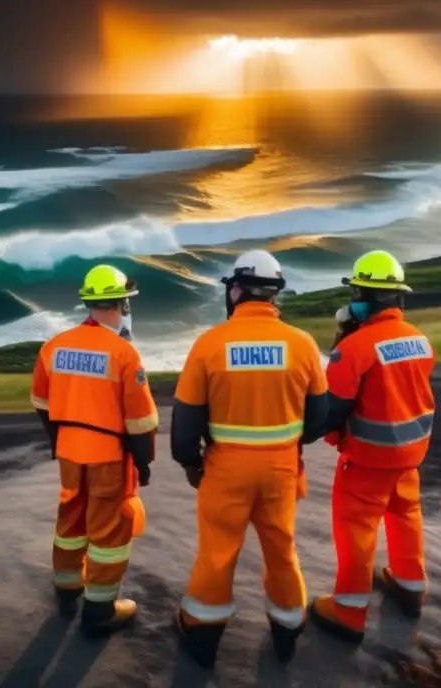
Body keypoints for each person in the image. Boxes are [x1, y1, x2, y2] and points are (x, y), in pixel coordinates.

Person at [171, 250, 330, 667]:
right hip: (280, 471)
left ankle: (203, 636)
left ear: (236, 291)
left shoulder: (209, 344)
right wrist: (288, 442)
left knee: (217, 553)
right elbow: (319, 418)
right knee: (282, 551)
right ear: (274, 296)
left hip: (225, 471)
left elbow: (185, 426)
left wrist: (191, 464)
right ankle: (287, 630)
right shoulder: (303, 344)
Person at [308, 249, 436, 645]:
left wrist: (301, 434)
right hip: (410, 455)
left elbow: (333, 409)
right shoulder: (420, 340)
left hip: (366, 460)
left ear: (362, 297)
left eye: (355, 294)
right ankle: (410, 585)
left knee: (357, 530)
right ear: (398, 297)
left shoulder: (355, 348)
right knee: (405, 515)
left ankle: (348, 611)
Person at [30, 264, 159, 634]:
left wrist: (58, 440)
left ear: (89, 303)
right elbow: (141, 422)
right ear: (122, 304)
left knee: (71, 515)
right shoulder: (123, 354)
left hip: (70, 453)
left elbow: (40, 402)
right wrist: (144, 462)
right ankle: (100, 608)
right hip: (108, 456)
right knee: (108, 531)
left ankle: (68, 584)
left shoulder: (54, 347)